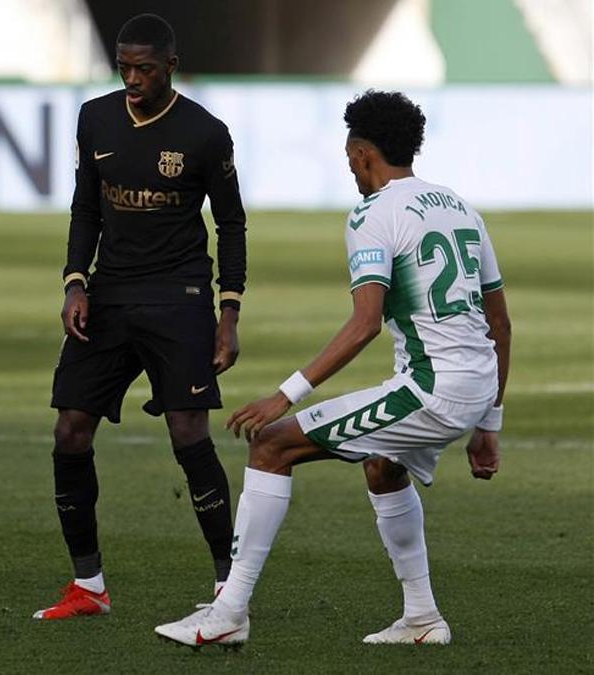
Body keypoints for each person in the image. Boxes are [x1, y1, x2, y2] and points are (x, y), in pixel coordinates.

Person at [154, 90, 511, 648]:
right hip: (474, 383)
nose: (349, 166)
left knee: (272, 444)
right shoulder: (460, 207)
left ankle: (229, 612)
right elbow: (501, 324)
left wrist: (285, 394)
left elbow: (365, 321)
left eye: (350, 155)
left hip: (431, 390)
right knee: (383, 467)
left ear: (363, 151)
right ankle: (421, 618)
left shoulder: (374, 213)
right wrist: (490, 423)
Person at [34, 13, 247, 621]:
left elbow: (230, 224)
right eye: (124, 66)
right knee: (69, 428)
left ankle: (228, 585)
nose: (132, 78)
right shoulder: (95, 117)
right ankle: (89, 586)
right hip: (109, 295)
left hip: (179, 297)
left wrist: (228, 313)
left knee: (188, 432)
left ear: (169, 66)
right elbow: (85, 208)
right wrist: (76, 283)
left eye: (144, 68)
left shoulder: (206, 133)